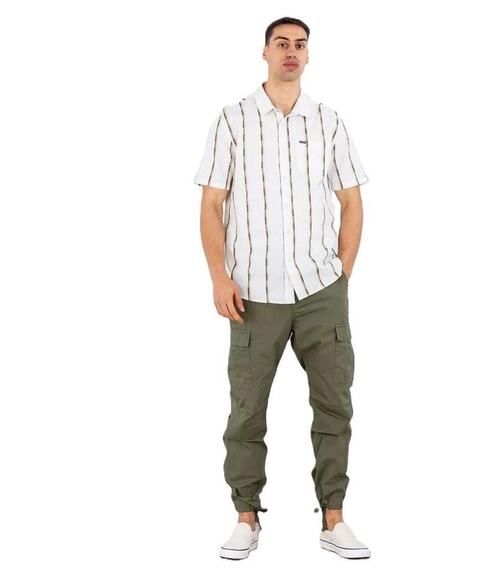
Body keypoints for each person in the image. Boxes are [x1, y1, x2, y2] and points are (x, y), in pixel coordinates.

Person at [194, 16, 371, 560]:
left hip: (321, 290)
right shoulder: (233, 120)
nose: (291, 52)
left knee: (334, 405)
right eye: (281, 44)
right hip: (253, 293)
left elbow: (351, 201)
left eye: (300, 45)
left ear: (308, 55)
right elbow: (211, 204)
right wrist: (219, 275)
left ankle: (334, 518)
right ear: (265, 52)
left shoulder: (328, 121)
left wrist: (341, 274)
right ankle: (245, 517)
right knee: (246, 410)